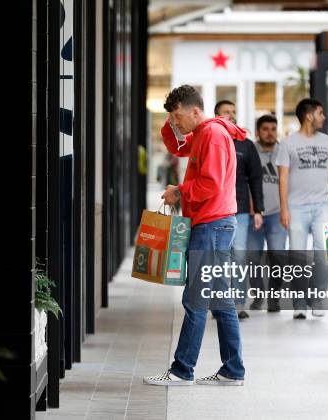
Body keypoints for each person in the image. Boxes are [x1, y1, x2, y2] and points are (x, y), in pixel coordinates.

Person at [143, 85, 247, 386]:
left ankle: (182, 370)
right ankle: (232, 370)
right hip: (215, 223)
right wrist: (170, 120)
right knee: (219, 300)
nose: (177, 123)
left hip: (212, 224)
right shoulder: (204, 133)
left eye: (178, 116)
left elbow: (210, 184)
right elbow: (177, 147)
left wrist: (179, 191)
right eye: (173, 118)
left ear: (196, 111)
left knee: (196, 299)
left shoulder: (212, 136)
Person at [276, 98, 328, 319]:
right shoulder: (287, 143)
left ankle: (317, 297)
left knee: (323, 254)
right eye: (320, 113)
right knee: (298, 256)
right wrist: (284, 209)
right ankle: (299, 302)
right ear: (309, 115)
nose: (323, 117)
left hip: (323, 205)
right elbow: (282, 179)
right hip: (296, 208)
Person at [214, 100, 264, 319]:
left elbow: (256, 178)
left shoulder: (246, 144)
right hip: (214, 210)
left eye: (234, 112)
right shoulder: (209, 139)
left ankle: (239, 303)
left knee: (239, 256)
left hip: (240, 210)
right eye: (227, 112)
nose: (232, 115)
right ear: (216, 116)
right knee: (218, 257)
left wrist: (259, 209)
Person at [247, 115, 287, 312]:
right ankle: (258, 294)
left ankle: (274, 297)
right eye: (265, 129)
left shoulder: (284, 151)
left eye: (273, 129)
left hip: (277, 214)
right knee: (252, 258)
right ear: (257, 131)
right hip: (252, 213)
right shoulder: (250, 150)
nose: (270, 133)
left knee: (278, 257)